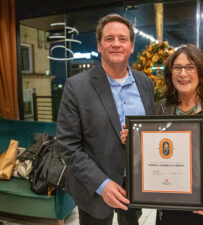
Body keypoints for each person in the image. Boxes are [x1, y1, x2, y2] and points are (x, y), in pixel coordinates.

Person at [121, 44, 203, 225]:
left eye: (190, 67)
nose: (183, 74)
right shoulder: (160, 108)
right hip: (171, 209)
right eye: (177, 68)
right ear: (170, 74)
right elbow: (153, 155)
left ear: (202, 72)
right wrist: (133, 142)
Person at [56, 14, 154, 225]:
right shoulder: (77, 86)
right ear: (99, 46)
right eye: (109, 39)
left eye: (122, 39)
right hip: (94, 188)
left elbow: (152, 132)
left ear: (131, 46)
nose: (116, 44)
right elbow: (68, 146)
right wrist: (102, 184)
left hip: (135, 185)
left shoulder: (145, 83)